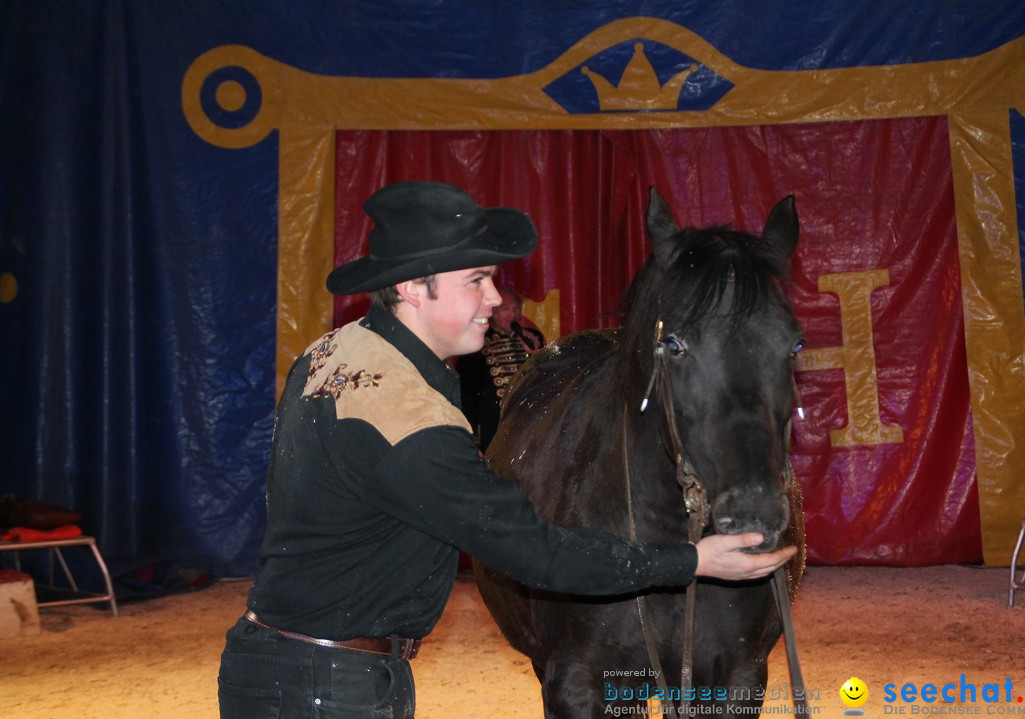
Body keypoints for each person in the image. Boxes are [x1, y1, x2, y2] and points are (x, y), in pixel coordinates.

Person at [217, 181, 796, 719]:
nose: (495, 298)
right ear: (410, 287)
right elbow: (536, 553)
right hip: (330, 687)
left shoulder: (329, 354)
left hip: (282, 666)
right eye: (476, 280)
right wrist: (693, 561)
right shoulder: (410, 419)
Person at [456, 284, 544, 449]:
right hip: (493, 426)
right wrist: (471, 435)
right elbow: (467, 393)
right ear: (493, 313)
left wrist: (536, 354)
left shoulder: (533, 338)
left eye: (516, 308)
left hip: (528, 422)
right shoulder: (478, 342)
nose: (513, 314)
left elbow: (544, 378)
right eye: (505, 309)